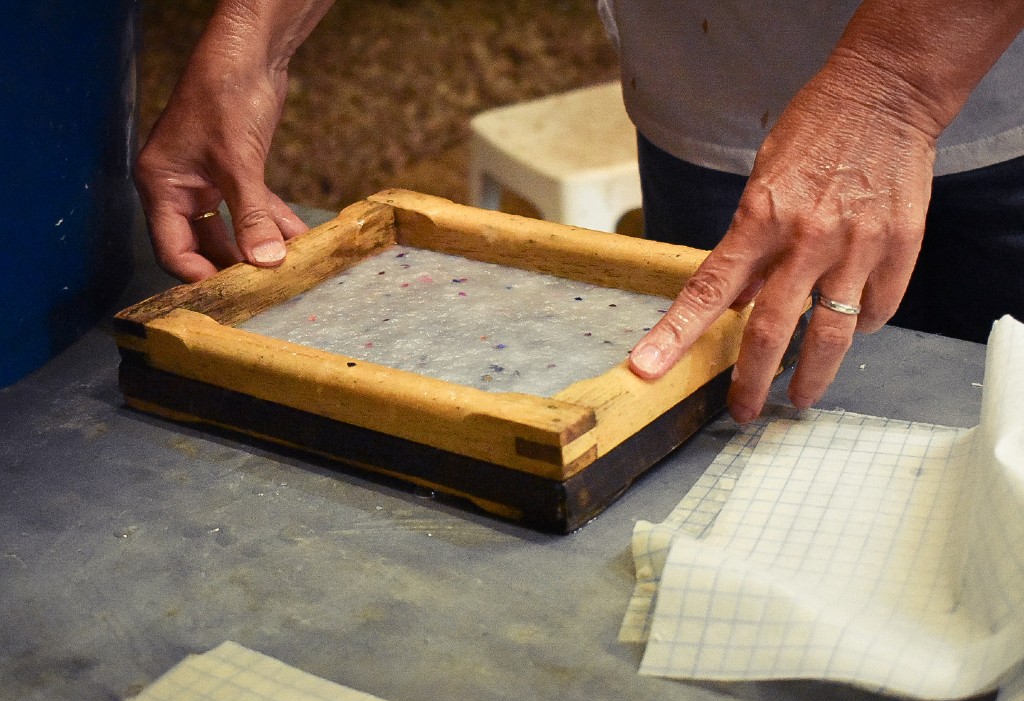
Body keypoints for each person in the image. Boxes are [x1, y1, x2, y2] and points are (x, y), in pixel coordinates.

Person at [135, 0, 1024, 424]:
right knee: (733, 442)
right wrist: (256, 35)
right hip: (709, 95)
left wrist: (890, 89)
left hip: (991, 99)